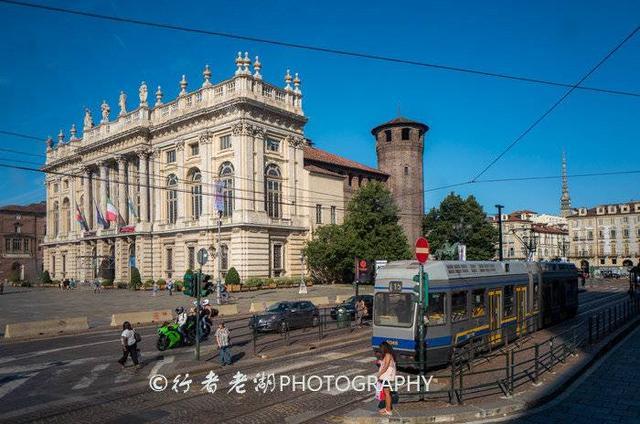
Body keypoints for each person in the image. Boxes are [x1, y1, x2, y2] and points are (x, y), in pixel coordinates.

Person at [376, 341, 397, 416]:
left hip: (386, 377)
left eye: (381, 348)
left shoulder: (388, 355)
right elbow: (385, 364)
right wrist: (380, 361)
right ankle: (387, 408)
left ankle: (388, 410)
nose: (380, 350)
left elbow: (386, 366)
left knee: (387, 393)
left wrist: (379, 374)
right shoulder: (387, 355)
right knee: (386, 393)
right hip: (385, 377)